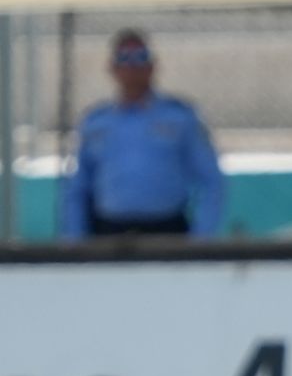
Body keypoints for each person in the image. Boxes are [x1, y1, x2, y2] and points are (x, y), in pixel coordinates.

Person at [61, 28, 225, 241]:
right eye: (124, 59)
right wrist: (74, 240)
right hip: (108, 234)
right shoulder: (96, 122)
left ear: (153, 65)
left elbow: (211, 180)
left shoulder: (180, 117)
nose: (132, 67)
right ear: (112, 67)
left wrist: (201, 239)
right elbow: (78, 188)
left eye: (140, 58)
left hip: (167, 232)